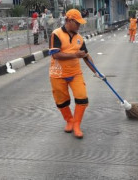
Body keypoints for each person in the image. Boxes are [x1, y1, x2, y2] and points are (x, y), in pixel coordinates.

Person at [49, 9, 102, 139]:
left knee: (82, 98)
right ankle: (69, 121)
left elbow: (85, 56)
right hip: (58, 73)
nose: (79, 26)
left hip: (75, 72)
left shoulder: (79, 38)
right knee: (62, 101)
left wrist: (96, 72)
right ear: (69, 20)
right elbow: (55, 54)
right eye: (77, 23)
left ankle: (77, 125)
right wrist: (74, 55)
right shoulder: (56, 34)